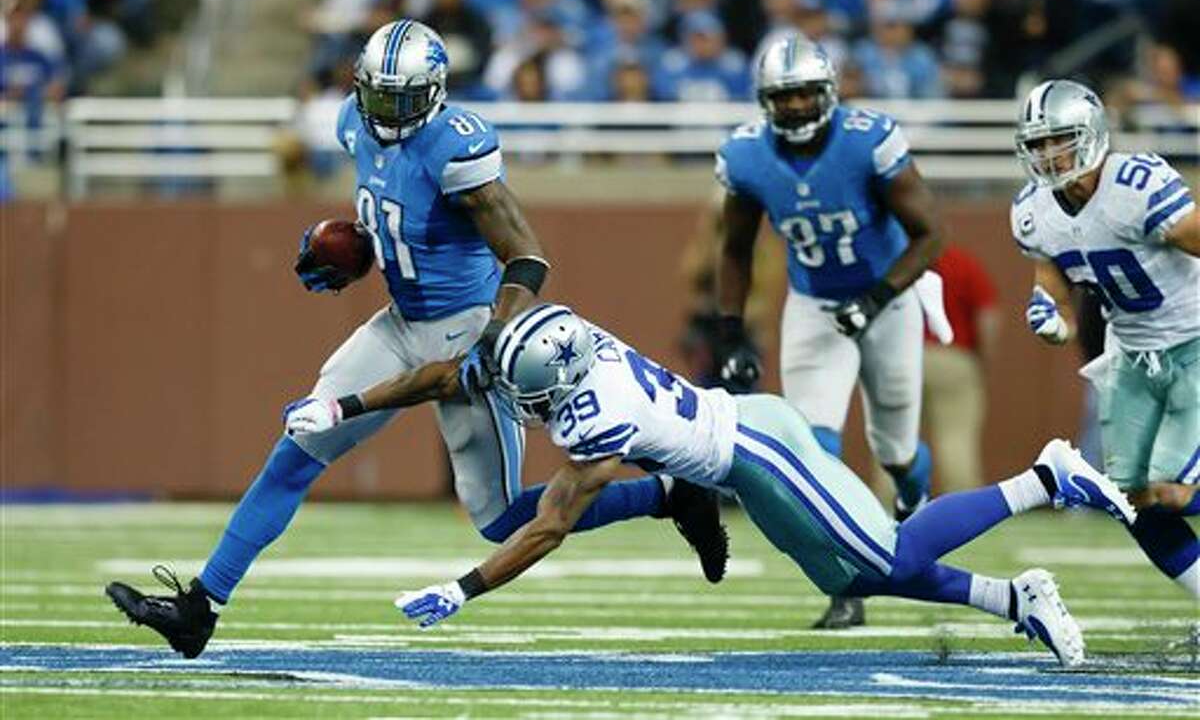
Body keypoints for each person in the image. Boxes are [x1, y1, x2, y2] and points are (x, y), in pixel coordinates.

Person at [104, 20, 728, 659]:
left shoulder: (455, 149)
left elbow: (527, 257)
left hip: (467, 328)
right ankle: (199, 607)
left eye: (401, 100)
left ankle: (669, 493)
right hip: (402, 322)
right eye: (377, 96)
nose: (386, 112)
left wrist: (493, 336)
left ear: (433, 94)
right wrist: (353, 253)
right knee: (299, 443)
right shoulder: (353, 121)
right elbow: (401, 222)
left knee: (501, 520)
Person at [288, 303, 1141, 668]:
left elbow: (550, 523)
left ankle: (1043, 476)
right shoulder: (572, 344)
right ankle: (1012, 599)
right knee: (852, 574)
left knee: (884, 549)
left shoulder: (595, 411)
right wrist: (348, 401)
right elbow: (456, 375)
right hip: (741, 448)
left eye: (533, 393)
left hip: (759, 451)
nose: (525, 403)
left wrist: (463, 585)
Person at [713, 31, 944, 629]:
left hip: (888, 300)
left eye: (804, 95)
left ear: (830, 92)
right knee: (813, 451)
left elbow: (930, 235)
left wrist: (877, 297)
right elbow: (735, 249)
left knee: (894, 448)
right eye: (782, 97)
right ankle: (848, 586)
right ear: (764, 101)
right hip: (815, 304)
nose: (793, 107)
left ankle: (913, 499)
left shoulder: (869, 141)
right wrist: (731, 330)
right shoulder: (745, 156)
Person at [1010, 78, 1200, 599]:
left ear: (1092, 132)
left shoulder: (1136, 183)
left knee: (1172, 492)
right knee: (1128, 498)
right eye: (1039, 143)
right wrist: (1050, 312)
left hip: (1193, 338)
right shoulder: (1034, 211)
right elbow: (1052, 272)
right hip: (1133, 352)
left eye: (1061, 138)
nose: (1050, 153)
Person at [922, 244, 1001, 491]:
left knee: (895, 439)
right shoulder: (961, 262)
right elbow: (987, 315)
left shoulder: (891, 260)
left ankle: (884, 507)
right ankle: (962, 505)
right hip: (953, 356)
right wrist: (983, 359)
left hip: (902, 357)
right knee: (955, 439)